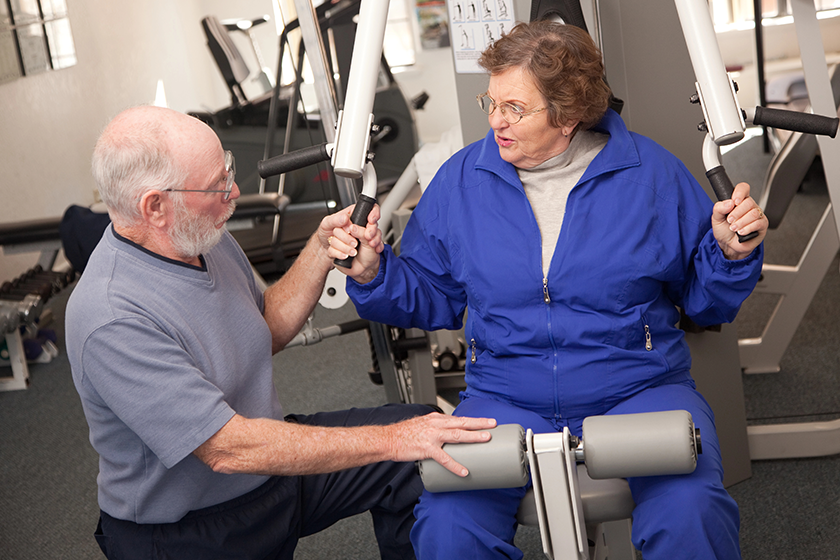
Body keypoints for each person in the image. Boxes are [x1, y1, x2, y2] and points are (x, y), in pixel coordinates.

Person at [330, 21, 768, 560]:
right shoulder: (461, 181)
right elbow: (432, 297)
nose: (494, 120)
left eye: (515, 108)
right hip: (505, 394)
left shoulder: (650, 175)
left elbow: (704, 301)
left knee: (691, 516)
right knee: (447, 529)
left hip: (638, 386)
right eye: (491, 100)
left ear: (568, 114)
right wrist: (375, 273)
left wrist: (730, 253)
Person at [65, 105, 496, 560]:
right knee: (402, 439)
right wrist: (393, 440)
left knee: (420, 455)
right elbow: (228, 449)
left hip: (269, 475)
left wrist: (321, 247)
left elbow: (262, 326)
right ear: (156, 207)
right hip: (191, 532)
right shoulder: (112, 317)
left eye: (226, 172)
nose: (233, 191)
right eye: (216, 186)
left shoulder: (198, 234)